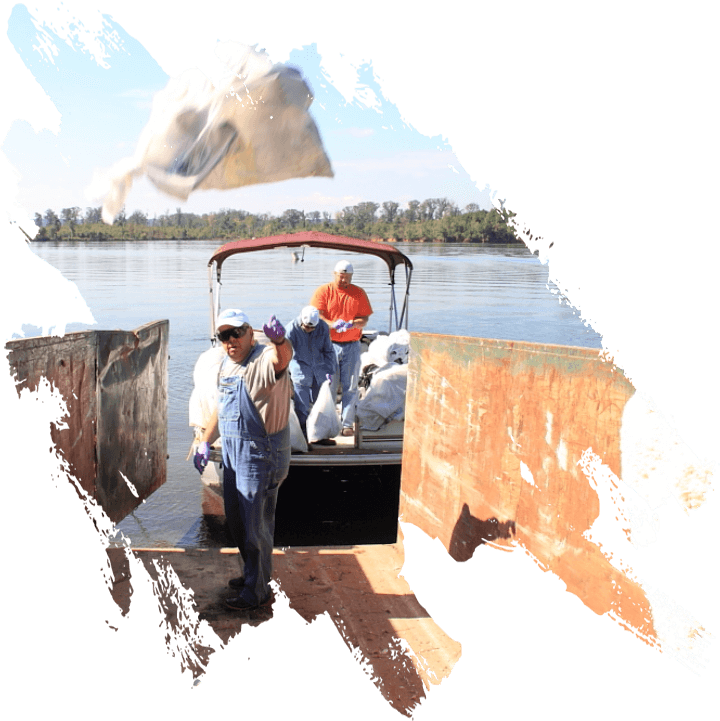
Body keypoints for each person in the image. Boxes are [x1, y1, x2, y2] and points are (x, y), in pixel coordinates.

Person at [193, 308, 293, 611]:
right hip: (234, 455)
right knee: (237, 522)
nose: (231, 340)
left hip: (261, 456)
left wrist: (281, 340)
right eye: (224, 335)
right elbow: (222, 410)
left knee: (256, 527)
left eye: (237, 332)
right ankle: (252, 574)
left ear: (251, 333)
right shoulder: (226, 364)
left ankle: (258, 591)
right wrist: (204, 442)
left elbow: (282, 359)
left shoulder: (262, 359)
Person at [310, 260, 373, 436]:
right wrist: (332, 324)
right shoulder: (324, 291)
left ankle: (346, 424)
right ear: (334, 274)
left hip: (352, 346)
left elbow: (364, 319)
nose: (344, 281)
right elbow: (317, 315)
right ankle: (326, 424)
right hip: (328, 346)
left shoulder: (358, 293)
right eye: (341, 277)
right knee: (327, 385)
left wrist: (351, 324)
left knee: (351, 386)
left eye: (347, 278)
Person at [285, 305, 337, 445]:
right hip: (300, 369)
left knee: (320, 404)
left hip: (319, 370)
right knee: (301, 406)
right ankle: (303, 437)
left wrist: (330, 371)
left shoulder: (323, 327)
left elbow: (329, 350)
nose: (308, 330)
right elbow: (284, 353)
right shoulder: (290, 329)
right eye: (306, 327)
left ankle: (320, 436)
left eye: (311, 328)